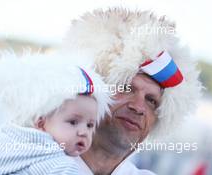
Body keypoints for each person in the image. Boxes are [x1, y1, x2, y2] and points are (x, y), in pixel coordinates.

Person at [62, 7, 202, 174]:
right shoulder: (33, 163)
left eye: (151, 101)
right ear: (88, 91)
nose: (139, 107)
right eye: (127, 88)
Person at [0, 52, 112, 174]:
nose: (83, 132)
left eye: (90, 125)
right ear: (41, 123)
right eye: (73, 122)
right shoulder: (62, 168)